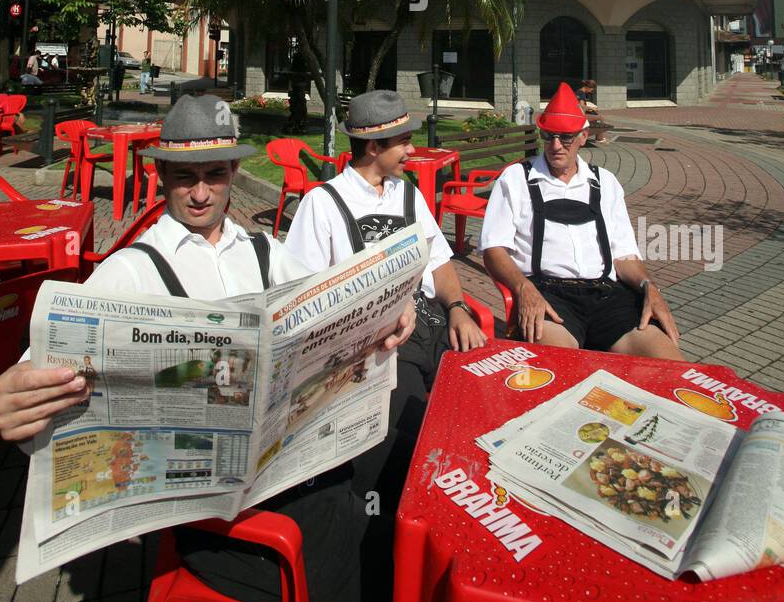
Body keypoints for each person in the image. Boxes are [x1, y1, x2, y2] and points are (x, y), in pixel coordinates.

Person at [0, 95, 411, 602]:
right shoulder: (131, 272)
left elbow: (329, 310)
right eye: (184, 176)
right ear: (162, 173)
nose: (199, 193)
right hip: (216, 520)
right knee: (378, 578)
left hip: (301, 477)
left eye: (214, 174)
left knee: (391, 532)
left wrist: (385, 320)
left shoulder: (264, 252)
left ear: (234, 170)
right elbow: (36, 382)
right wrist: (18, 396)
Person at [286, 90, 487, 447]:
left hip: (434, 322)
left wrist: (458, 309)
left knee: (485, 397)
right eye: (405, 142)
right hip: (382, 344)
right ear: (374, 147)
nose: (412, 151)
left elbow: (439, 262)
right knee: (413, 434)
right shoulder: (323, 203)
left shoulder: (406, 194)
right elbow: (305, 294)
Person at [480, 82, 681, 357]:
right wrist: (522, 288)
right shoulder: (516, 179)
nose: (555, 146)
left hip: (608, 296)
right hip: (548, 294)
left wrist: (649, 286)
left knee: (670, 363)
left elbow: (624, 256)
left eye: (565, 138)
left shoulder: (605, 183)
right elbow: (493, 249)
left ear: (583, 136)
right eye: (548, 135)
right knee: (563, 367)